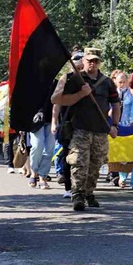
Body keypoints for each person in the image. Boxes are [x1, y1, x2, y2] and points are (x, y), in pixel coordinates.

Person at [51, 48, 120, 211]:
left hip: (100, 130)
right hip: (79, 128)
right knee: (79, 163)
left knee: (95, 165)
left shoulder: (106, 82)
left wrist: (115, 124)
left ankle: (89, 193)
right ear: (84, 60)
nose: (93, 64)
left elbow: (116, 104)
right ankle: (77, 195)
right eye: (90, 60)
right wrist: (80, 94)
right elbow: (56, 99)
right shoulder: (73, 79)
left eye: (96, 61)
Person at [53, 50, 85, 198]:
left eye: (81, 67)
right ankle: (68, 187)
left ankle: (82, 188)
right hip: (68, 123)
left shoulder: (89, 80)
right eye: (76, 67)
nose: (79, 70)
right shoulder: (65, 79)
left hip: (85, 122)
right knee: (67, 155)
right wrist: (54, 122)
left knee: (84, 157)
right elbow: (56, 102)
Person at [28, 79, 57, 189]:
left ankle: (42, 176)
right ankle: (34, 172)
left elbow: (58, 102)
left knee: (49, 149)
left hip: (51, 119)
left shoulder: (56, 83)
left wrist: (56, 121)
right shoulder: (33, 82)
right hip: (36, 120)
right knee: (37, 145)